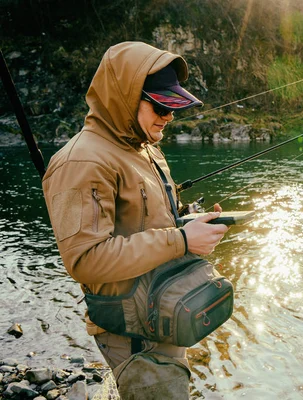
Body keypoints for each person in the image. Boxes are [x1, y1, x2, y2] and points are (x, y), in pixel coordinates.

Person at [42, 41, 228, 398]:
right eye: (160, 105)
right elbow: (86, 259)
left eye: (174, 107)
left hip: (162, 315)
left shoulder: (145, 148)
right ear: (126, 98)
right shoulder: (81, 163)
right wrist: (183, 241)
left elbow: (148, 222)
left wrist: (187, 221)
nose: (169, 116)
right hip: (133, 335)